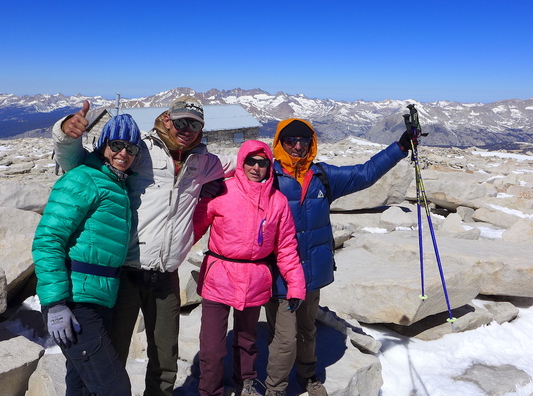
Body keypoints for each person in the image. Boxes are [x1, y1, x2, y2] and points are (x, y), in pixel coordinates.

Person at [53, 95, 236, 396]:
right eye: (180, 121)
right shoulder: (140, 151)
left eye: (194, 124)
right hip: (126, 272)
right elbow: (77, 162)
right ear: (167, 119)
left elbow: (242, 162)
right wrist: (65, 135)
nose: (186, 128)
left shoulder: (205, 162)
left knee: (165, 357)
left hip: (166, 277)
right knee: (113, 353)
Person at [264, 118, 415, 396]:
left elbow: (364, 174)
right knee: (284, 339)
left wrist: (400, 147)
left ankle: (308, 376)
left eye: (303, 141)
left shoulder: (322, 176)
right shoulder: (266, 177)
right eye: (290, 141)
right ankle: (275, 389)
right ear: (279, 143)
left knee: (308, 330)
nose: (297, 147)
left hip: (311, 274)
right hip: (279, 276)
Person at [32, 113, 142, 396]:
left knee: (81, 384)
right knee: (114, 387)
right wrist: (55, 303)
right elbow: (48, 239)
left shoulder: (116, 184)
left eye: (131, 148)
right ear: (103, 144)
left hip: (98, 298)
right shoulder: (84, 178)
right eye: (117, 144)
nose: (123, 153)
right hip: (74, 300)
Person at [193, 140, 306, 396]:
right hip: (219, 276)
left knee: (247, 341)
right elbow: (193, 230)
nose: (256, 167)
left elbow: (286, 247)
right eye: (251, 162)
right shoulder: (221, 191)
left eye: (262, 162)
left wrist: (296, 285)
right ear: (241, 163)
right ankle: (210, 390)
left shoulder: (277, 201)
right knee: (212, 347)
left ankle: (245, 382)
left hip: (255, 278)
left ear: (270, 165)